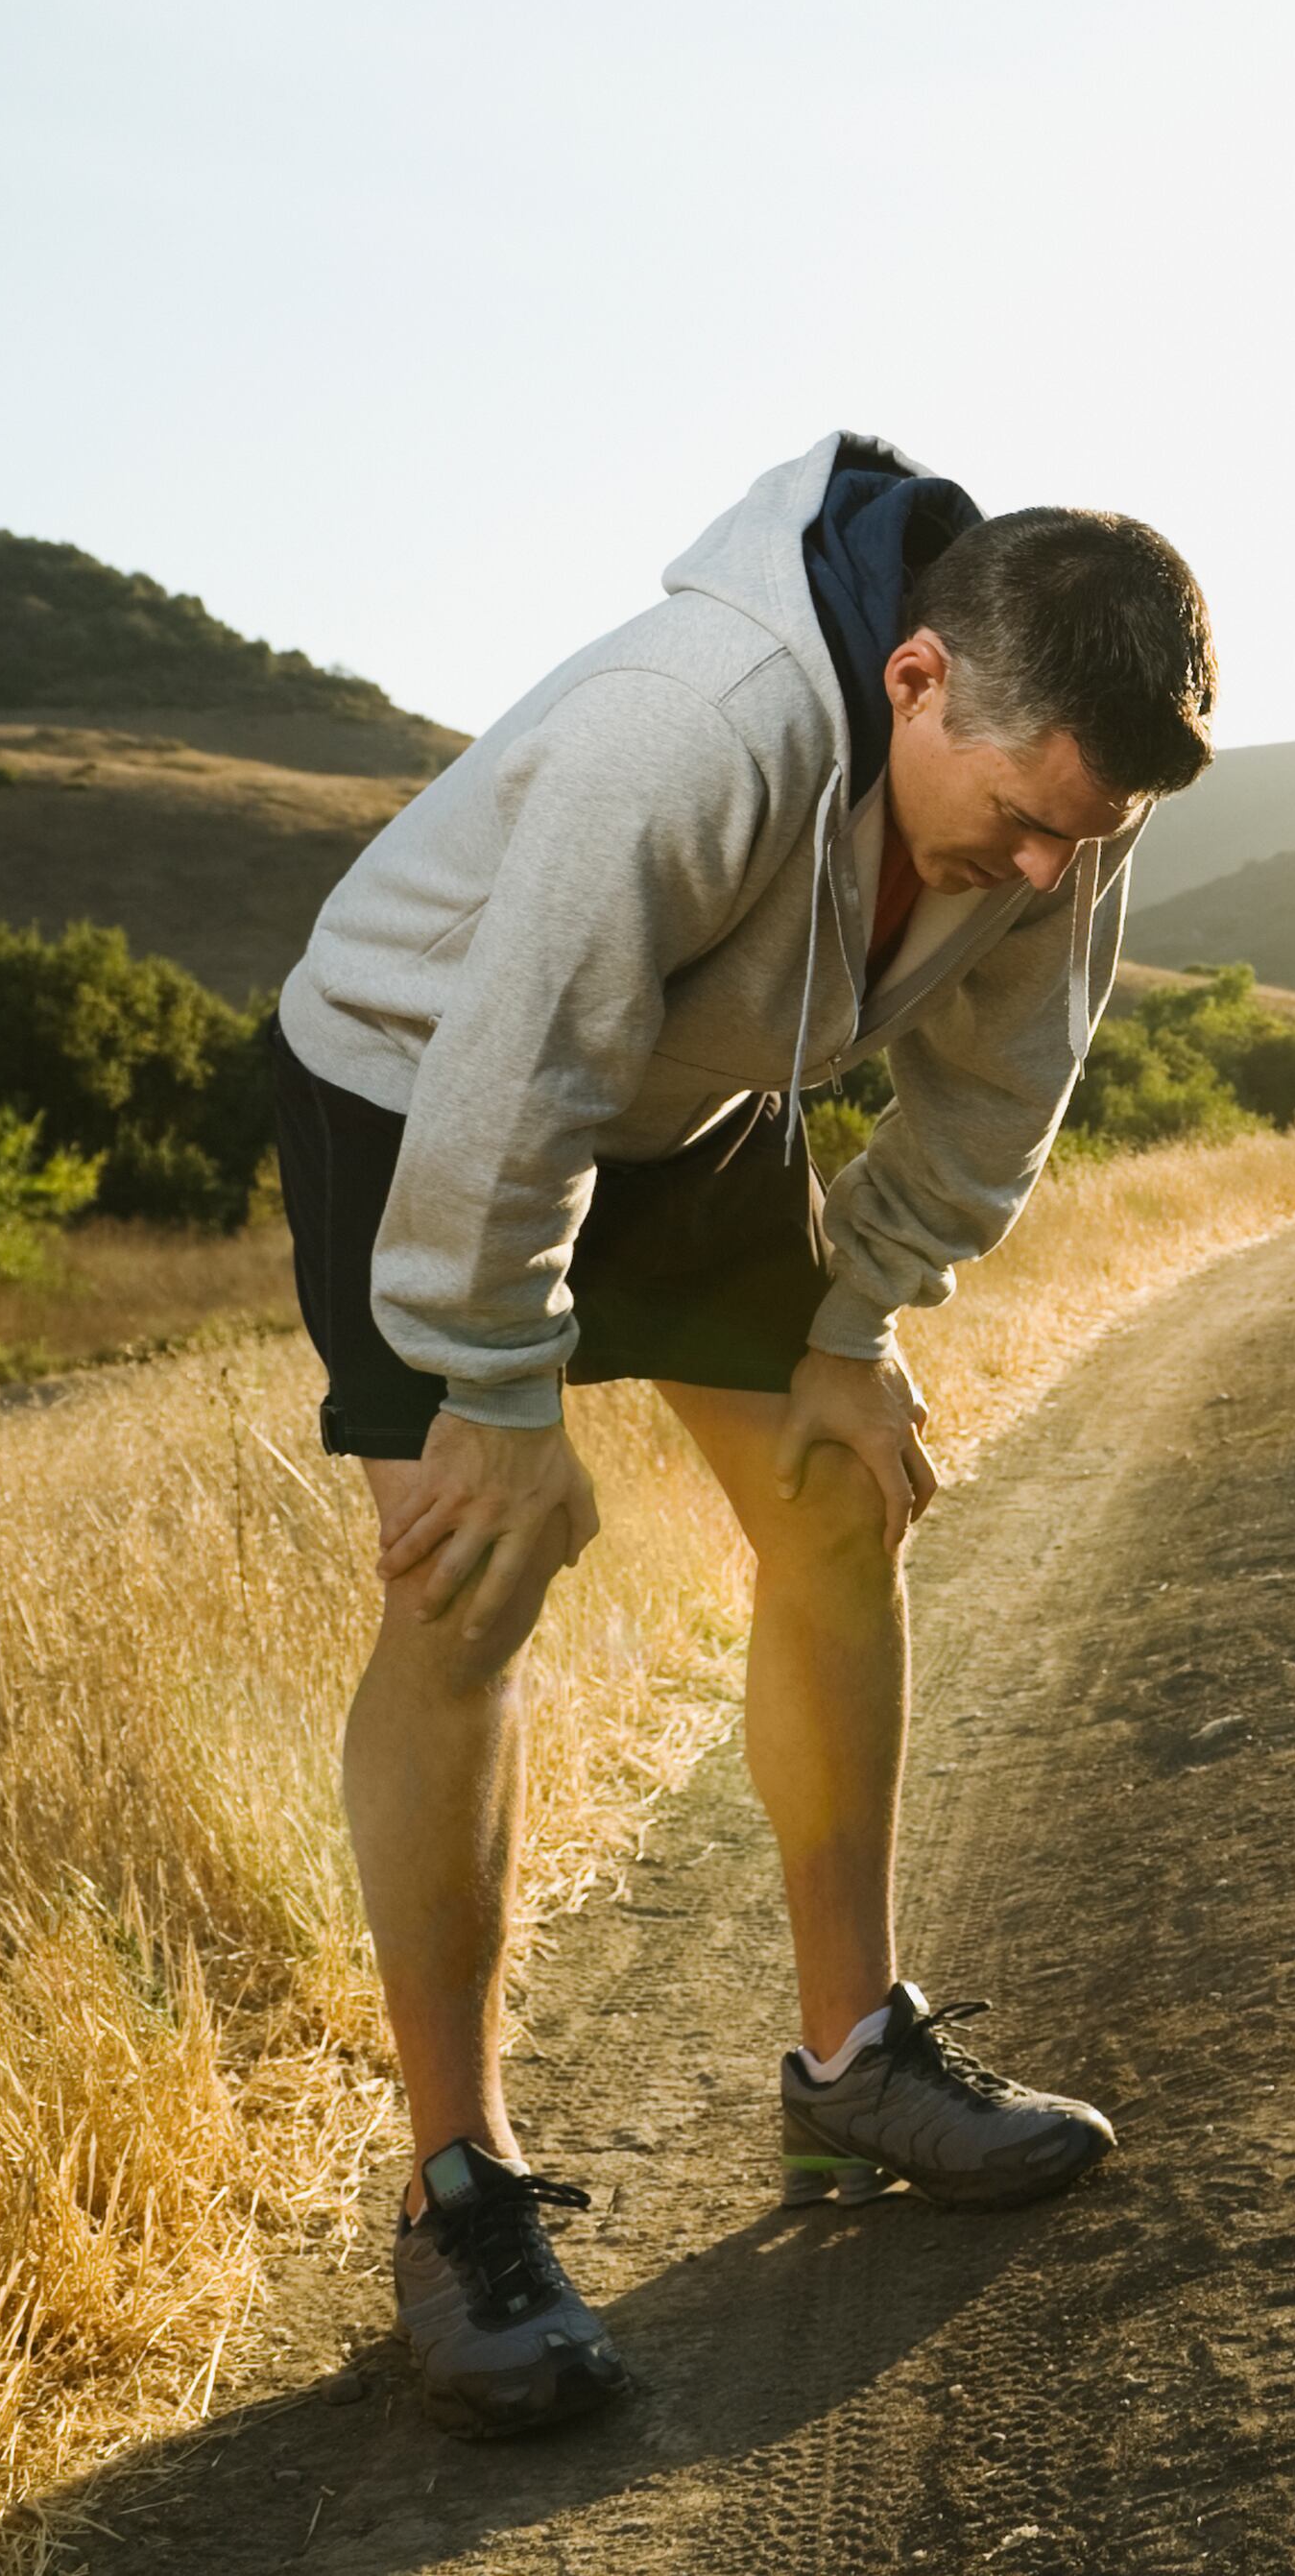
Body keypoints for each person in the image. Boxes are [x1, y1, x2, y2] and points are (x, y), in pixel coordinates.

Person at [261, 431, 1213, 2437]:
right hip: (426, 1080)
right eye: (1026, 822)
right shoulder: (685, 729)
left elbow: (1004, 1084)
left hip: (691, 1094)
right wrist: (498, 1392)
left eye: (1089, 836)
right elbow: (522, 1061)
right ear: (914, 682)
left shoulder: (1060, 787)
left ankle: (854, 2060)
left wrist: (856, 1321)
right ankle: (460, 2192)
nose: (1049, 874)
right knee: (470, 1581)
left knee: (839, 1494)